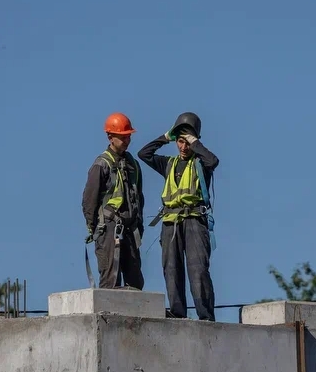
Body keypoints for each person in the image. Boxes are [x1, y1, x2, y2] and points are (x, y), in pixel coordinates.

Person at [138, 112, 218, 320]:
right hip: (171, 223)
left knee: (198, 270)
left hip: (194, 221)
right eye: (180, 142)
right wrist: (166, 136)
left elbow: (213, 161)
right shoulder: (168, 164)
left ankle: (205, 316)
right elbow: (143, 154)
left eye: (187, 142)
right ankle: (178, 313)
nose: (183, 147)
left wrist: (195, 143)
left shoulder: (200, 163)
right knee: (171, 270)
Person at [82, 112, 145, 289]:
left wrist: (139, 225)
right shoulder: (101, 164)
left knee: (135, 280)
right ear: (110, 137)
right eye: (123, 137)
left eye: (128, 137)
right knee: (110, 277)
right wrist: (95, 228)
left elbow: (139, 197)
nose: (127, 140)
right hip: (109, 228)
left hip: (130, 229)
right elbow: (89, 200)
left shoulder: (133, 164)